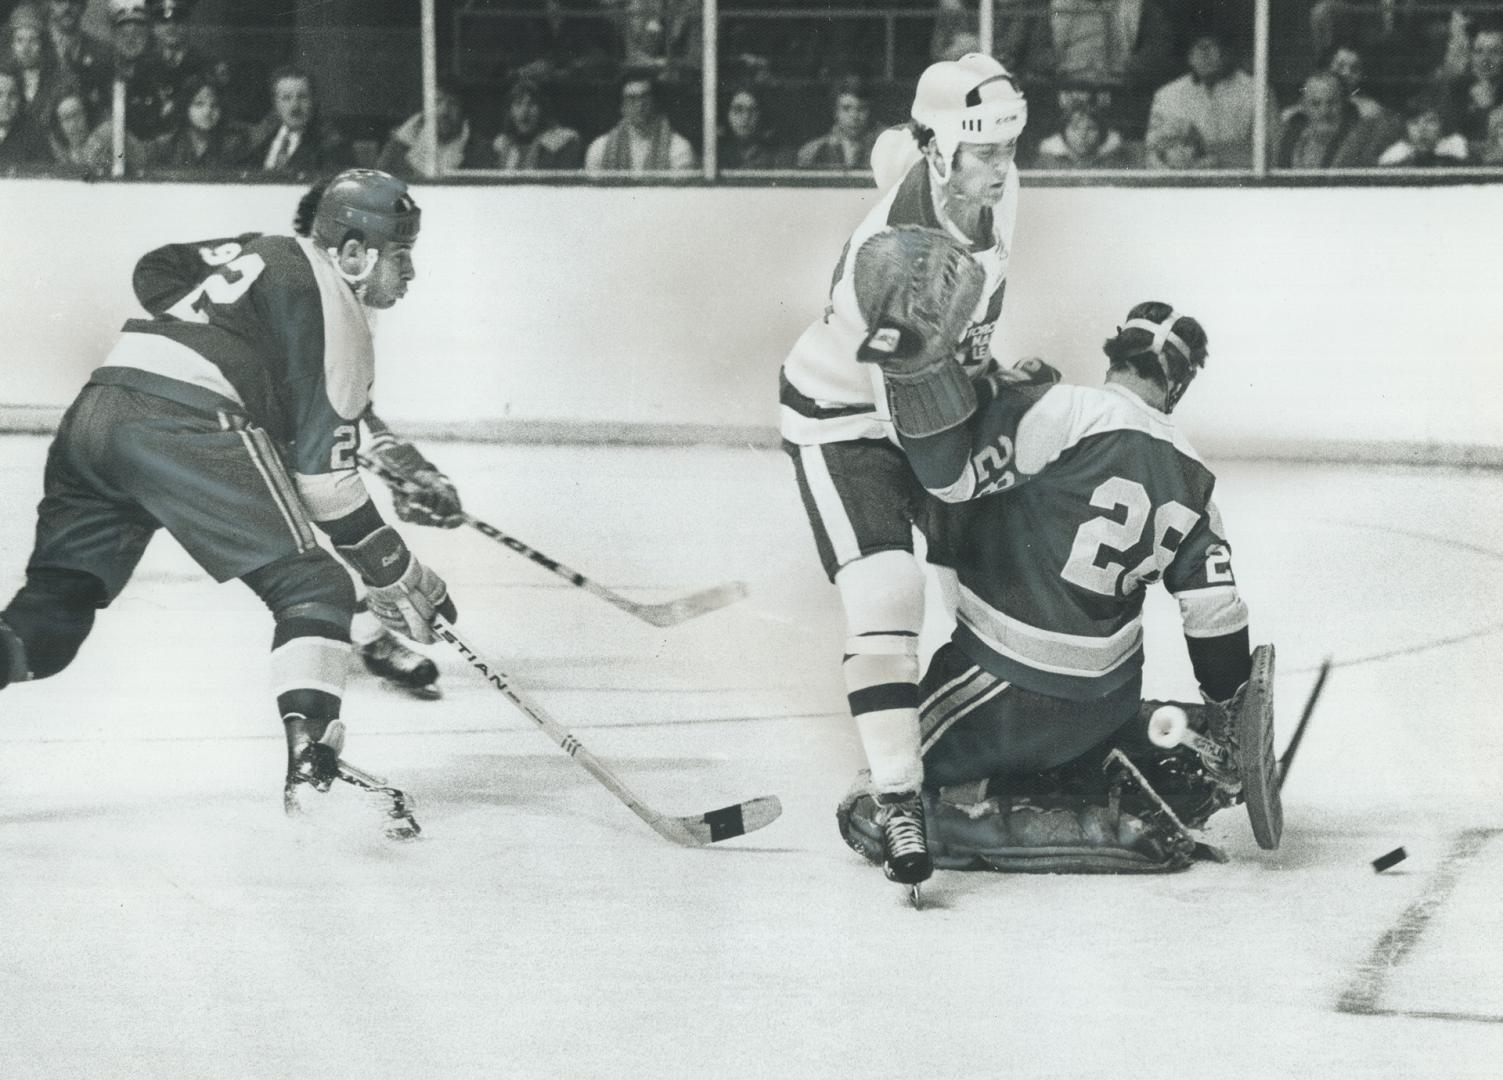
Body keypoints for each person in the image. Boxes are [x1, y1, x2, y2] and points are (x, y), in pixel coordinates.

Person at [0, 169, 458, 811]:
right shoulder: (345, 320)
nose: (411, 274)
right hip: (184, 422)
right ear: (353, 254)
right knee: (315, 587)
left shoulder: (262, 247)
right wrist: (393, 568)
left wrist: (219, 341)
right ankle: (314, 773)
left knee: (52, 616)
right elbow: (326, 486)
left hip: (100, 405)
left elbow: (157, 270)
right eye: (403, 255)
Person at [839, 293, 1261, 878]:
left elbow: (954, 479)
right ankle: (1160, 742)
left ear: (1114, 355)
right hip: (1106, 697)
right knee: (1089, 721)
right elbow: (1215, 613)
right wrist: (1228, 713)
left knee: (874, 799)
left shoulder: (1068, 410)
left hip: (1002, 682)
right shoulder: (1199, 482)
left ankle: (1011, 822)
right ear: (1179, 387)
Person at [779, 53, 1034, 891]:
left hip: (929, 395)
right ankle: (897, 795)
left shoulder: (984, 183)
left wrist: (985, 369)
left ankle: (983, 742)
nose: (1002, 168)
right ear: (939, 154)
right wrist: (967, 470)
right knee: (889, 592)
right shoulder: (895, 261)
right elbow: (925, 442)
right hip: (841, 421)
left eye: (1008, 148)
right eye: (984, 153)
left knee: (992, 582)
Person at [125, 177, 468, 697]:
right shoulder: (266, 262)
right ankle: (367, 637)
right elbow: (155, 268)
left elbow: (345, 408)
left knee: (314, 514)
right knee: (305, 536)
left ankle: (360, 633)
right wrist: (221, 343)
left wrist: (407, 463)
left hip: (210, 426)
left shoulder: (354, 300)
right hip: (196, 424)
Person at [1145, 30, 1278, 169]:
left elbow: (1270, 154)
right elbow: (1152, 155)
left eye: (1214, 46)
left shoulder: (1257, 91)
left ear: (1227, 52)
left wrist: (1211, 155)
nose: (1206, 55)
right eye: (1199, 47)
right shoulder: (1168, 95)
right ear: (1188, 55)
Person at [1275, 70, 1399, 169]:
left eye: (1332, 102)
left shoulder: (1364, 140)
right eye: (1315, 103)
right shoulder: (1290, 139)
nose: (1324, 111)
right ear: (1303, 106)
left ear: (1346, 103)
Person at [246, 64, 351, 176]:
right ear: (276, 104)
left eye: (302, 97)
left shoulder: (332, 145)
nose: (295, 106)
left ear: (313, 101)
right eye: (286, 98)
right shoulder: (258, 141)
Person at [584, 71, 696, 173]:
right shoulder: (600, 148)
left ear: (655, 102)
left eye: (644, 98)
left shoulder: (678, 148)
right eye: (631, 99)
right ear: (622, 106)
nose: (639, 105)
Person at [375, 83, 488, 178]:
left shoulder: (479, 150)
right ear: (424, 108)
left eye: (453, 103)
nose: (444, 111)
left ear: (463, 111)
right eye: (437, 101)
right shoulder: (398, 146)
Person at [146, 74, 250, 168]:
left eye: (214, 105)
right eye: (199, 104)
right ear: (185, 107)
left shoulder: (232, 146)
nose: (208, 112)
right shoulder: (163, 146)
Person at [489, 75, 584, 170]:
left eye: (531, 104)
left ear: (542, 109)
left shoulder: (563, 143)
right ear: (510, 111)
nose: (524, 111)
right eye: (518, 104)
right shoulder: (501, 146)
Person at [795, 77, 879, 170]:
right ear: (836, 112)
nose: (854, 116)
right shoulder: (813, 153)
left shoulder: (883, 150)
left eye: (861, 109)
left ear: (870, 112)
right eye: (846, 109)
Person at [718, 85, 792, 169]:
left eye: (752, 110)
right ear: (727, 114)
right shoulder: (713, 155)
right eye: (738, 109)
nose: (746, 117)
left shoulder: (777, 155)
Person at [0, 66, 51, 166]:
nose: (5, 102)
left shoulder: (33, 134)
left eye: (12, 94)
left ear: (20, 99)